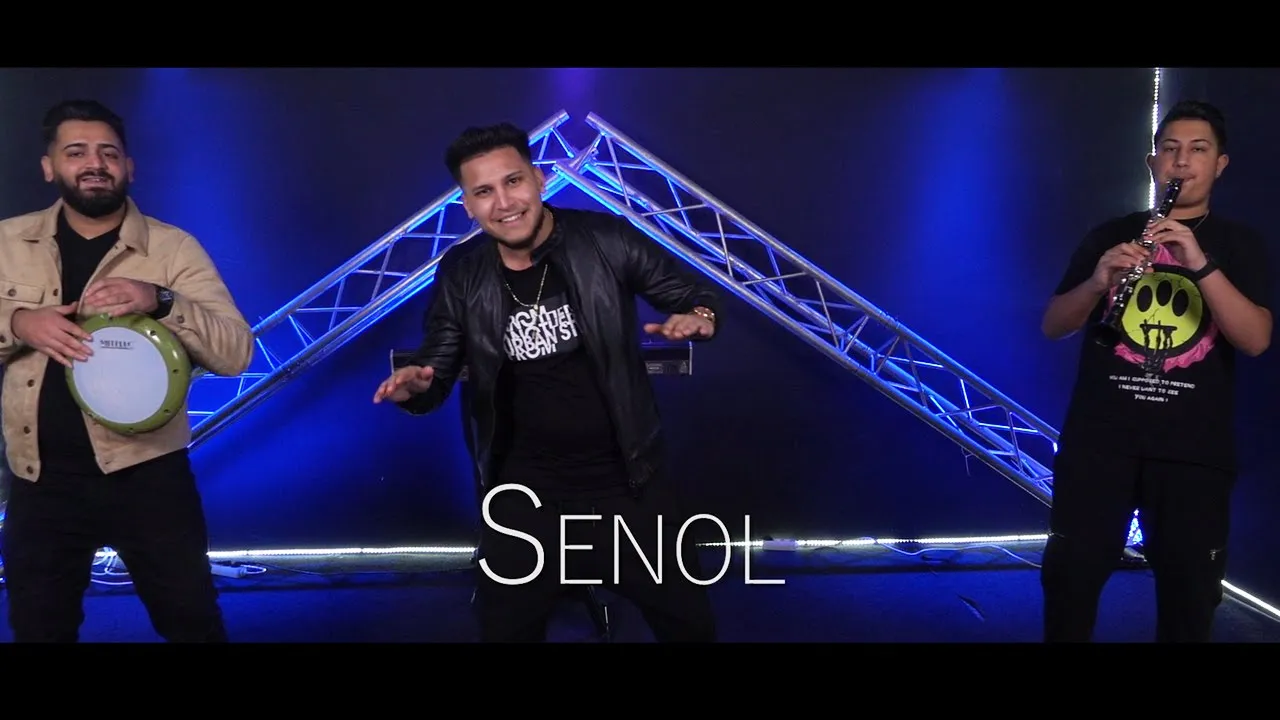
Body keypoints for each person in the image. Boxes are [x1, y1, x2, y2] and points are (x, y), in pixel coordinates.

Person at [374, 121, 723, 642]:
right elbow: (437, 364)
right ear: (467, 205)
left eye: (513, 181)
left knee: (689, 625)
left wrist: (699, 317)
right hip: (523, 496)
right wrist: (416, 387)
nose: (503, 203)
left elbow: (695, 296)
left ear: (539, 180)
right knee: (506, 629)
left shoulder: (606, 239)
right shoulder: (462, 270)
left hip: (626, 485)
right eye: (483, 192)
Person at [0, 100, 255, 642]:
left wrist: (160, 299)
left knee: (192, 623)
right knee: (39, 628)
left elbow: (235, 352)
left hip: (149, 477)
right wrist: (18, 323)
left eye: (108, 153)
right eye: (76, 152)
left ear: (129, 167)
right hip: (41, 482)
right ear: (49, 167)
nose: (95, 163)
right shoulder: (6, 242)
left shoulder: (173, 248)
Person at [1039, 99, 1273, 642]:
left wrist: (1200, 264)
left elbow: (1256, 340)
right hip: (1099, 444)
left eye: (1198, 150)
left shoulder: (1240, 244)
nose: (1182, 161)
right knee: (1070, 587)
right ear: (1153, 163)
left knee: (1189, 601)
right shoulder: (1112, 235)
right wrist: (1097, 283)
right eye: (1170, 149)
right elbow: (1054, 325)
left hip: (1193, 452)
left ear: (1220, 164)